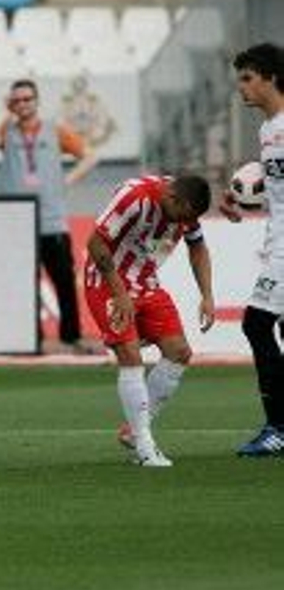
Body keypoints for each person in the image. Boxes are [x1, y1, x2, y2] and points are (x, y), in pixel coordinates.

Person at [85, 174, 214, 467]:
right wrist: (120, 294)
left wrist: (207, 295)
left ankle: (133, 430)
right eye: (184, 216)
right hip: (106, 282)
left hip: (145, 280)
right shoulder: (135, 198)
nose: (184, 223)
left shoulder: (185, 205)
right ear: (173, 200)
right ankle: (144, 446)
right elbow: (95, 243)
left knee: (179, 352)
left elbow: (198, 246)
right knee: (130, 356)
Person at [0, 79, 99, 353]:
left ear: (37, 100)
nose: (22, 104)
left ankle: (71, 336)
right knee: (23, 283)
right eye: (16, 101)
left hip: (51, 219)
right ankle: (33, 340)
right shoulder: (7, 130)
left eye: (27, 99)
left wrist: (67, 180)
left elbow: (90, 156)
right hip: (17, 222)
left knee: (64, 280)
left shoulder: (55, 130)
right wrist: (4, 113)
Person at [227, 44, 284, 456]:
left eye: (247, 78)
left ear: (270, 77)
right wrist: (248, 203)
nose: (241, 87)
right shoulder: (268, 130)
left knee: (256, 324)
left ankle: (278, 426)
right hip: (276, 239)